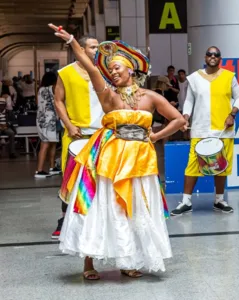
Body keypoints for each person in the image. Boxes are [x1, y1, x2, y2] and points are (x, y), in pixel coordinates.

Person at [50, 24, 185, 280]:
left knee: (133, 209)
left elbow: (178, 120)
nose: (112, 73)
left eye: (117, 68)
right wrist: (71, 42)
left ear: (131, 69)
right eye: (110, 69)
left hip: (140, 161)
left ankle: (128, 259)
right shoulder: (109, 96)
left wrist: (155, 136)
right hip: (110, 158)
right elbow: (91, 68)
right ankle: (89, 263)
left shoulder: (150, 97)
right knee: (102, 206)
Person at [171, 46, 239, 216]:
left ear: (220, 58)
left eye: (216, 55)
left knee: (221, 166)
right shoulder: (195, 78)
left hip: (223, 129)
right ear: (205, 57)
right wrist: (185, 117)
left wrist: (232, 114)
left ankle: (219, 200)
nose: (213, 57)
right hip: (200, 128)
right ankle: (186, 201)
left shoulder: (229, 76)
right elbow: (189, 100)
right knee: (192, 166)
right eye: (210, 54)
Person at [51, 35, 105, 240]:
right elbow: (58, 101)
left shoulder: (105, 71)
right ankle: (64, 220)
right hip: (75, 134)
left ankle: (96, 218)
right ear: (80, 49)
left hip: (101, 134)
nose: (96, 50)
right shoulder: (65, 73)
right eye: (92, 47)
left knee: (100, 177)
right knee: (70, 177)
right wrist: (69, 125)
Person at [35, 72, 61, 178]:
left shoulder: (39, 90)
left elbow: (38, 103)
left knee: (52, 143)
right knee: (46, 145)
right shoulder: (53, 87)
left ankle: (52, 167)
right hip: (50, 119)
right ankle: (39, 170)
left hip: (41, 119)